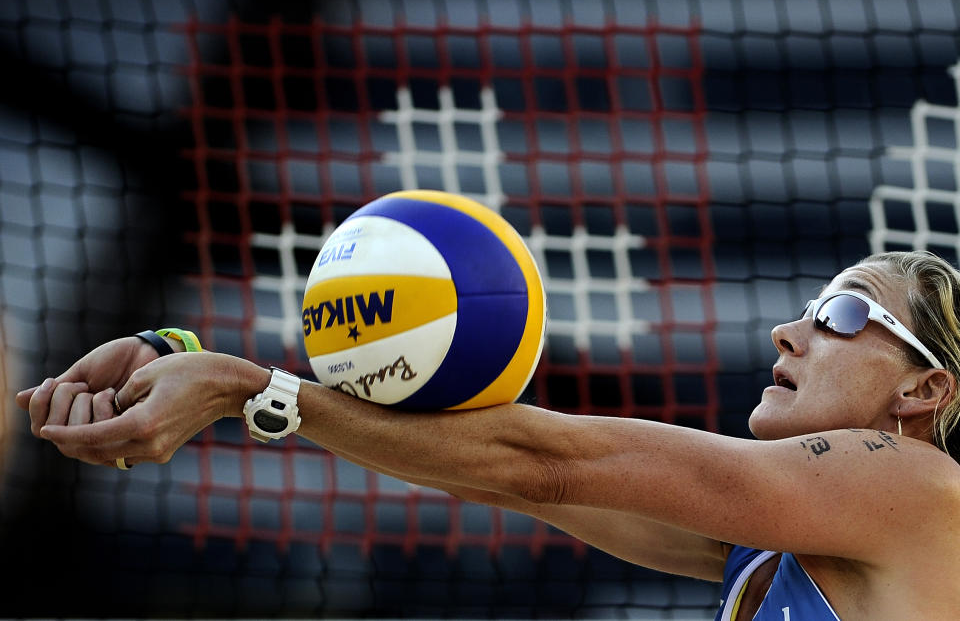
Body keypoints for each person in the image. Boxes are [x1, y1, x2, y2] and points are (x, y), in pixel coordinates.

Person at [16, 250, 960, 619]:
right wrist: (198, 366)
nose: (791, 331)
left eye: (843, 314)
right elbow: (498, 478)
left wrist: (242, 386)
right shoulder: (766, 554)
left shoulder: (920, 489)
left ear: (927, 387)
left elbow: (546, 461)